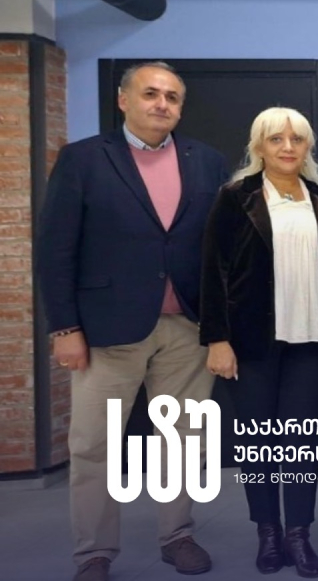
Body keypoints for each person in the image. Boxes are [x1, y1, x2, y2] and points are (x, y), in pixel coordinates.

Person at [38, 62, 227, 581]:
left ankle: (177, 535)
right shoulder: (83, 159)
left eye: (172, 97)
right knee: (94, 445)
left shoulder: (207, 161)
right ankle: (94, 553)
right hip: (106, 330)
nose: (161, 103)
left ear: (181, 108)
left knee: (184, 440)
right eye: (150, 93)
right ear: (124, 100)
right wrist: (64, 328)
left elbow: (220, 249)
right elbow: (56, 249)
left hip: (187, 326)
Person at [201, 107, 318, 578]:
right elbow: (213, 270)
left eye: (296, 139)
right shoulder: (236, 197)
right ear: (259, 146)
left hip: (312, 341)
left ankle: (299, 534)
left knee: (302, 444)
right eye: (276, 138)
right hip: (251, 342)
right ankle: (268, 533)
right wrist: (217, 339)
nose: (287, 147)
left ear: (307, 146)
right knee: (257, 442)